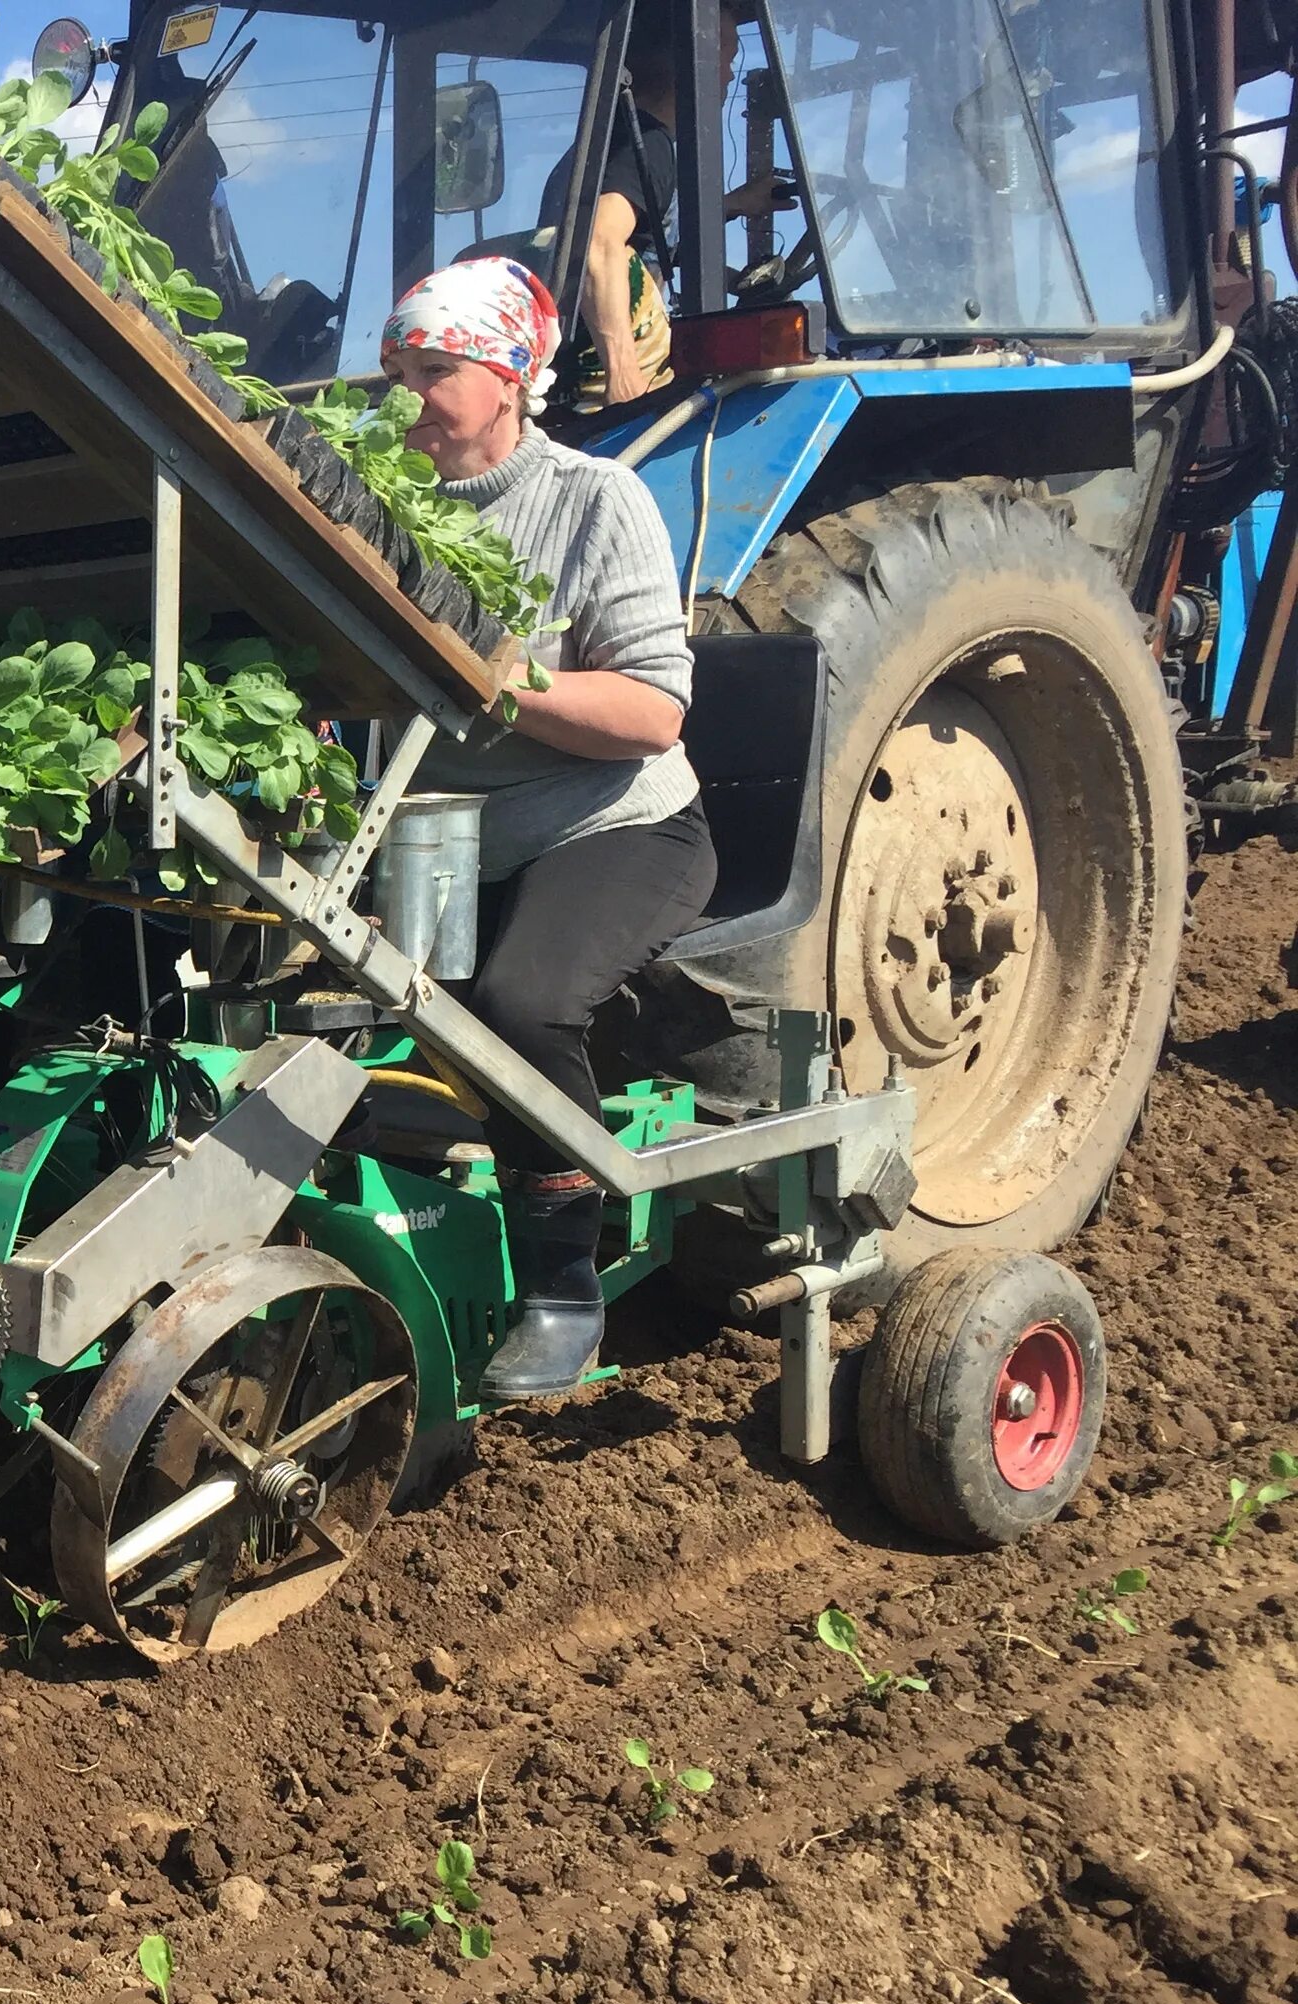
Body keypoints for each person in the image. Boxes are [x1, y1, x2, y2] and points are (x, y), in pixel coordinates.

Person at [376, 258, 714, 1398]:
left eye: (435, 371)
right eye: (396, 372)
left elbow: (655, 713)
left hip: (612, 823)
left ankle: (565, 1287)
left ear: (512, 381)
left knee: (516, 1006)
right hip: (444, 833)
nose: (407, 396)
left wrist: (507, 685)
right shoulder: (382, 507)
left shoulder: (593, 499)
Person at [535, 0, 782, 406]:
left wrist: (737, 203)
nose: (729, 73)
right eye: (725, 54)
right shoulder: (644, 145)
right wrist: (624, 371)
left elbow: (648, 243)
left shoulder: (604, 147)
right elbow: (597, 244)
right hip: (605, 381)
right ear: (688, 59)